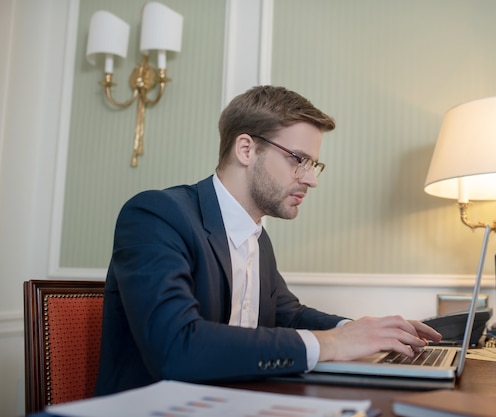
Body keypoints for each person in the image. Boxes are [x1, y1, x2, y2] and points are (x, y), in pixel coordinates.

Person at [94, 85, 441, 396]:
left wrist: (359, 329)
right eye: (299, 160)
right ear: (246, 149)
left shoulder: (258, 237)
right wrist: (333, 343)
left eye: (314, 166)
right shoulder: (157, 215)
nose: (310, 180)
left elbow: (287, 314)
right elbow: (176, 347)